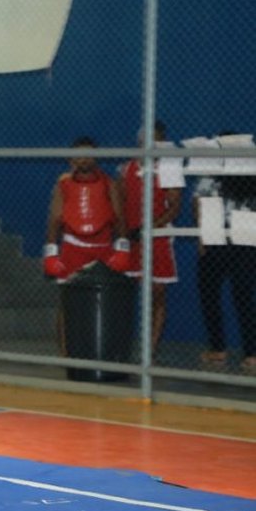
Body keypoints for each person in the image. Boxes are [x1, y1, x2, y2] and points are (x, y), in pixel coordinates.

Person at [43, 136, 130, 350]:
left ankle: (101, 350)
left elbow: (119, 218)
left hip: (102, 250)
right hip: (73, 247)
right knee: (66, 303)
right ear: (72, 159)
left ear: (97, 157)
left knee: (105, 304)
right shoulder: (63, 184)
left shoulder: (109, 183)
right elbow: (55, 218)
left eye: (88, 155)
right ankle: (66, 352)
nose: (84, 160)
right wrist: (51, 253)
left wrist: (123, 249)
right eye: (79, 155)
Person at [116, 121, 183, 349]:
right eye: (145, 139)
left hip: (158, 239)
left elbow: (174, 208)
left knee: (157, 294)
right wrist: (125, 233)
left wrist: (149, 229)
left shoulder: (169, 168)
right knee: (126, 292)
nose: (148, 143)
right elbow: (120, 203)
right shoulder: (126, 169)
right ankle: (122, 343)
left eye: (154, 139)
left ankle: (150, 348)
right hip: (133, 238)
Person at [194, 166, 256, 372]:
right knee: (211, 292)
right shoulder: (210, 176)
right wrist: (203, 236)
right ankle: (220, 349)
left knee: (242, 295)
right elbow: (198, 206)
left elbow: (198, 205)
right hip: (218, 233)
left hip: (242, 233)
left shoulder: (249, 174)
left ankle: (251, 352)